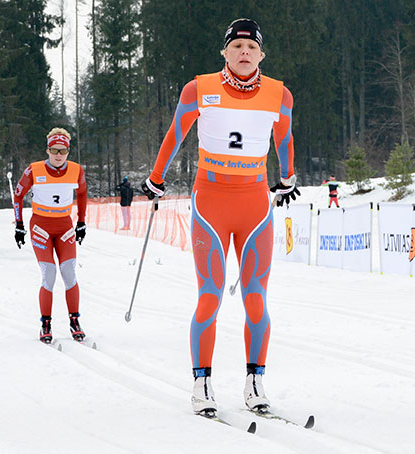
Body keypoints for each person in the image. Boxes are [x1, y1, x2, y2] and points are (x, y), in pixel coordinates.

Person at [141, 18, 300, 415]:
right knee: (210, 296)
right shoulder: (199, 88)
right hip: (210, 202)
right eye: (236, 47)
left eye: (251, 47)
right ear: (225, 53)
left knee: (256, 298)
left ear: (261, 54)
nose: (244, 53)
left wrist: (287, 177)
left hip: (255, 205)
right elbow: (176, 133)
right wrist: (156, 178)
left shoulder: (280, 95)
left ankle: (254, 381)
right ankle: (202, 382)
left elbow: (284, 138)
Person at [12, 127, 89, 344]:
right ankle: (46, 323)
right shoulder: (33, 170)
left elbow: (82, 194)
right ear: (47, 150)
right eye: (54, 150)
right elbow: (18, 196)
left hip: (65, 227)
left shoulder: (76, 170)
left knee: (68, 272)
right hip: (41, 227)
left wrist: (81, 221)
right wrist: (19, 225)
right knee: (49, 272)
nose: (58, 155)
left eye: (62, 151)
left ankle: (75, 321)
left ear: (68, 151)